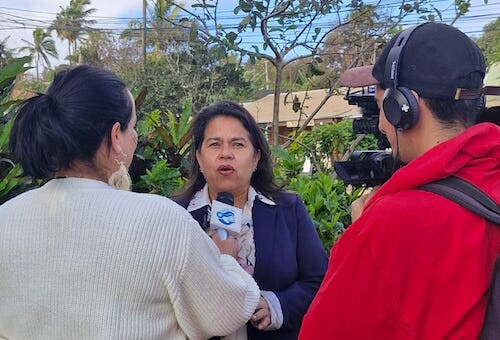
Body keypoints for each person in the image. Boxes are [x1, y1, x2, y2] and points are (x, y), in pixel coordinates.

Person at [0, 65, 261, 339]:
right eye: (133, 127)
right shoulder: (162, 221)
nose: (135, 138)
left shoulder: (6, 219)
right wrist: (225, 260)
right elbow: (224, 314)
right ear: (115, 137)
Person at [299, 23, 500, 339]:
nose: (380, 125)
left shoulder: (393, 222)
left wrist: (362, 233)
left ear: (405, 109)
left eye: (381, 108)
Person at [173, 100, 328, 340]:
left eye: (238, 144)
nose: (226, 153)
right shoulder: (175, 215)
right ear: (200, 159)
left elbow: (319, 281)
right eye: (214, 144)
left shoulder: (288, 210)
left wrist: (277, 305)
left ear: (256, 158)